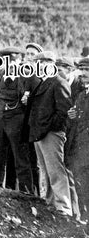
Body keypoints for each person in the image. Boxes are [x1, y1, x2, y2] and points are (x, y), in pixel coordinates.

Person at [29, 51, 79, 217]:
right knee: (46, 170)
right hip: (41, 133)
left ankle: (63, 207)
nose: (40, 66)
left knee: (56, 170)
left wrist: (48, 128)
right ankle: (51, 203)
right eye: (38, 63)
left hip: (52, 134)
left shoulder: (58, 82)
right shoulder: (43, 82)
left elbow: (63, 112)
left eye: (44, 63)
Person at [0, 47, 34, 193]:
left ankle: (26, 192)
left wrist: (27, 97)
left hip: (17, 120)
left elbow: (34, 98)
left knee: (20, 158)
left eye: (14, 61)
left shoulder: (27, 76)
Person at [66, 57, 89, 220]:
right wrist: (73, 115)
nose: (83, 73)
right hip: (79, 150)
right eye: (81, 70)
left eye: (87, 70)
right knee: (82, 188)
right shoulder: (81, 95)